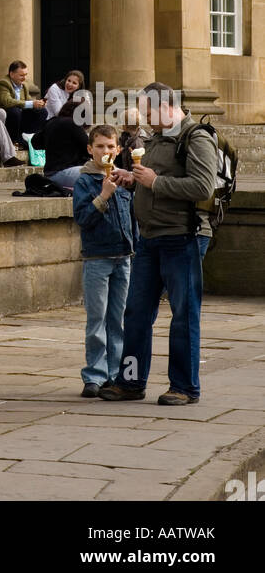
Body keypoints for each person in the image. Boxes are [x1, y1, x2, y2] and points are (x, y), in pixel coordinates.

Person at [100, 82, 217, 407]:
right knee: (135, 312)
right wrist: (133, 179)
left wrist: (155, 181)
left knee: (183, 314)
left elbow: (203, 186)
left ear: (167, 106)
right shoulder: (155, 140)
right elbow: (151, 182)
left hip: (184, 237)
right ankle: (131, 381)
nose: (145, 118)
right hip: (150, 238)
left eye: (148, 111)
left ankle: (184, 386)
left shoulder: (196, 137)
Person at [73, 126, 136, 396]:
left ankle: (115, 373)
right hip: (97, 256)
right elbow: (83, 219)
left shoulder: (123, 180)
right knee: (96, 318)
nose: (106, 152)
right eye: (100, 146)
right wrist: (104, 195)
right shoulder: (84, 181)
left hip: (123, 255)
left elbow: (132, 218)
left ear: (118, 150)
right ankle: (95, 374)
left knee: (117, 319)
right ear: (90, 149)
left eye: (110, 147)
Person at [30, 105, 89, 192]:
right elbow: (90, 150)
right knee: (104, 175)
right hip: (65, 173)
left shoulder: (52, 122)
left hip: (50, 175)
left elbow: (35, 143)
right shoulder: (73, 124)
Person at [0, 61, 48, 147]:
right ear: (11, 74)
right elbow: (7, 102)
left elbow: (29, 100)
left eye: (25, 75)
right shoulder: (3, 83)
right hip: (7, 116)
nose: (24, 78)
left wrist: (38, 104)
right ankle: (14, 140)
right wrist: (31, 103)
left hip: (20, 116)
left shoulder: (24, 85)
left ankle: (31, 137)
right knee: (15, 111)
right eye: (21, 75)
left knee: (42, 111)